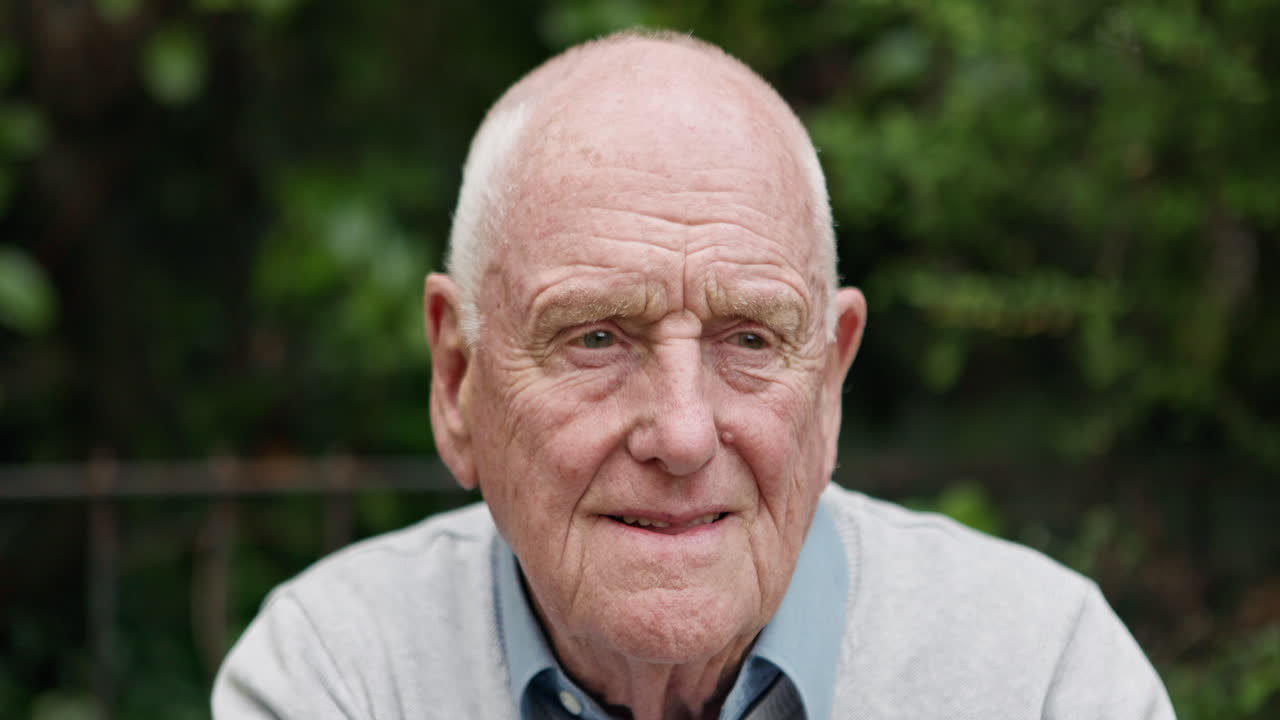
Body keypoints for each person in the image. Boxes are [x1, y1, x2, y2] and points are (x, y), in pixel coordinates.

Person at [213, 30, 1175, 720]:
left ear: (830, 383)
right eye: (596, 339)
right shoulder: (336, 676)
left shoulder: (1043, 673)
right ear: (458, 376)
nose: (681, 433)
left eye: (750, 340)